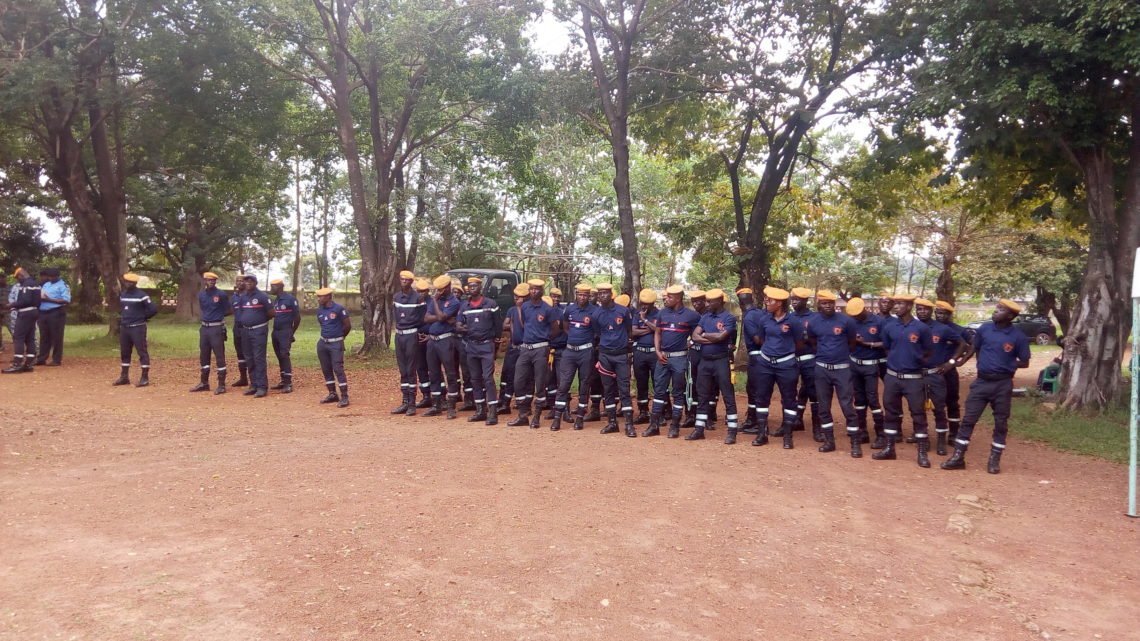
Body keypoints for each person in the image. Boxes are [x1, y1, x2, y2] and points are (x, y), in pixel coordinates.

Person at [942, 299, 1030, 474]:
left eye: (1000, 309)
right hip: (981, 382)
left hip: (1002, 384)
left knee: (1000, 422)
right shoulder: (985, 329)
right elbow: (974, 346)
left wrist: (1007, 364)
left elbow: (1025, 362)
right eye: (997, 308)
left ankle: (994, 460)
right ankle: (958, 457)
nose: (996, 311)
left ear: (1010, 316)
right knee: (968, 420)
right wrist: (961, 361)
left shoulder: (1017, 336)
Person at [875, 294, 934, 467]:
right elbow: (887, 347)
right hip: (892, 377)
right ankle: (889, 449)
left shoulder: (921, 328)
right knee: (890, 413)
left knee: (918, 414)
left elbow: (928, 351)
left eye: (900, 304)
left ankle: (922, 453)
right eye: (896, 304)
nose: (896, 307)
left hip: (914, 379)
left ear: (909, 306)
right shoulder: (889, 326)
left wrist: (913, 360)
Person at [804, 290, 860, 456]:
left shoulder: (846, 321)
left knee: (847, 406)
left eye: (830, 302)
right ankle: (829, 441)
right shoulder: (813, 322)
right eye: (824, 303)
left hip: (842, 369)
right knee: (823, 406)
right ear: (819, 305)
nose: (827, 305)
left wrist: (838, 356)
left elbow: (852, 343)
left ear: (834, 304)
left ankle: (855, 443)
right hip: (821, 369)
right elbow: (813, 342)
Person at [744, 287, 801, 447]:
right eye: (766, 299)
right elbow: (762, 340)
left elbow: (799, 343)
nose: (766, 302)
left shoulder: (793, 321)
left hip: (787, 365)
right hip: (765, 364)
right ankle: (762, 434)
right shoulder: (764, 320)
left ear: (780, 303)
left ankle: (788, 437)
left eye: (770, 300)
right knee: (761, 397)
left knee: (789, 399)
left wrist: (783, 353)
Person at [915, 298, 968, 455]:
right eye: (919, 309)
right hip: (916, 375)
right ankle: (923, 439)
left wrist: (951, 362)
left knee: (939, 408)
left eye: (925, 309)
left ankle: (941, 441)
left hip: (936, 374)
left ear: (931, 311)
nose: (922, 312)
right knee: (918, 408)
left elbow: (963, 344)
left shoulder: (942, 328)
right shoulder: (912, 326)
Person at [648, 285, 701, 438]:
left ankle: (675, 426)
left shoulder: (691, 315)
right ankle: (654, 425)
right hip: (662, 358)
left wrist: (691, 343)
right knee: (659, 391)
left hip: (680, 359)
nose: (666, 299)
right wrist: (657, 351)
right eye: (666, 297)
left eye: (669, 297)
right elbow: (657, 333)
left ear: (678, 298)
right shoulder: (662, 313)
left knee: (678, 393)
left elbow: (699, 332)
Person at [508, 279, 561, 427]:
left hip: (540, 349)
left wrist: (544, 338)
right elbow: (525, 324)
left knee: (540, 383)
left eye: (537, 289)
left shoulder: (547, 309)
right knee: (518, 381)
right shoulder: (525, 307)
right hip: (525, 348)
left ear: (542, 291)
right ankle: (523, 414)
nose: (534, 291)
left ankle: (536, 416)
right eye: (531, 289)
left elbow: (556, 329)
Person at [689, 289, 738, 442]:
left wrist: (704, 335)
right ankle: (699, 429)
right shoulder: (705, 317)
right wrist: (711, 337)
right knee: (702, 394)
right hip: (705, 361)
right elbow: (694, 336)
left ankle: (732, 431)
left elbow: (722, 337)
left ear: (720, 301)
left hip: (721, 361)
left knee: (727, 395)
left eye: (710, 301)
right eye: (707, 301)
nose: (707, 304)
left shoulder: (729, 318)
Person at [550, 284, 599, 431]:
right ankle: (557, 418)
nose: (582, 297)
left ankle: (579, 418)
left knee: (584, 384)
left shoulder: (594, 311)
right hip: (570, 352)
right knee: (563, 384)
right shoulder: (569, 309)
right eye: (580, 294)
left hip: (586, 352)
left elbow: (597, 331)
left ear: (588, 296)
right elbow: (565, 327)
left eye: (585, 295)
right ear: (576, 294)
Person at [456, 276, 502, 425]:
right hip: (471, 346)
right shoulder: (465, 306)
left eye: (475, 286)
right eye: (470, 286)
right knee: (474, 378)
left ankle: (493, 412)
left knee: (488, 379)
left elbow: (498, 326)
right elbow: (458, 324)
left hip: (486, 345)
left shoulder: (491, 304)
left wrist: (495, 345)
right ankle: (480, 410)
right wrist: (460, 327)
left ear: (480, 288)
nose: (472, 288)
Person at [591, 283, 635, 436]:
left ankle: (629, 425)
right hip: (605, 355)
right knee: (608, 389)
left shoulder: (623, 311)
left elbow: (630, 331)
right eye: (600, 293)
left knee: (624, 389)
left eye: (605, 293)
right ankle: (612, 423)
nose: (602, 296)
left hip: (621, 355)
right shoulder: (596, 314)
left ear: (611, 294)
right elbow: (598, 333)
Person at [847, 298, 887, 448]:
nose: (855, 317)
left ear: (864, 309)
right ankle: (862, 430)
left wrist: (867, 344)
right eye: (853, 315)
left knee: (873, 399)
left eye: (858, 314)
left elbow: (887, 343)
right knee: (858, 399)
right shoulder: (851, 321)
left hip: (871, 366)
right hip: (854, 364)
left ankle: (881, 434)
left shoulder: (879, 322)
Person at [422, 275, 462, 419]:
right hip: (432, 341)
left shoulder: (454, 302)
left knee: (450, 373)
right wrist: (441, 316)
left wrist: (435, 302)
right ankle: (436, 405)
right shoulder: (438, 301)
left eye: (441, 289)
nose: (438, 292)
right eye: (437, 290)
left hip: (446, 340)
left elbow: (441, 317)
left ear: (447, 287)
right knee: (433, 373)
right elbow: (427, 318)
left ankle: (451, 407)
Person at [112, 273, 158, 386]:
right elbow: (123, 308)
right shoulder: (123, 294)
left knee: (141, 351)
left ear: (135, 283)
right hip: (125, 328)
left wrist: (143, 317)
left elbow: (153, 309)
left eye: (130, 282)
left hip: (137, 328)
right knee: (125, 352)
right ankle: (124, 376)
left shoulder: (141, 295)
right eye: (127, 282)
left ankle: (144, 377)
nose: (128, 284)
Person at [233, 275, 275, 398]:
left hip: (258, 331)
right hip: (245, 331)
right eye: (246, 281)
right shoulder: (243, 297)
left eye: (251, 281)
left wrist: (259, 320)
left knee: (258, 358)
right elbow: (241, 313)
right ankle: (253, 385)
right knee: (249, 358)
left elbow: (272, 313)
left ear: (256, 283)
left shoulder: (262, 296)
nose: (248, 283)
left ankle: (262, 387)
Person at [190, 272, 232, 394]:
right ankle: (204, 383)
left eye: (213, 280)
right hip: (204, 328)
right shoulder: (201, 294)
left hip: (216, 328)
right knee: (204, 355)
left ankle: (221, 385)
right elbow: (204, 309)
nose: (211, 282)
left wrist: (217, 316)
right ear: (205, 281)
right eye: (209, 280)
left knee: (219, 356)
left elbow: (228, 310)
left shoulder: (221, 294)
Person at [934, 300, 970, 441]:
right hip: (931, 372)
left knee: (952, 402)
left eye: (943, 313)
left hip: (948, 372)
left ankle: (954, 434)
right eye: (938, 313)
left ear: (949, 314)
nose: (940, 316)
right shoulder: (929, 327)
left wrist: (958, 361)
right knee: (929, 403)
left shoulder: (958, 330)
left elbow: (971, 345)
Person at [391, 270, 426, 414]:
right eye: (402, 279)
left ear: (411, 282)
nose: (404, 282)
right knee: (403, 369)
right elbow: (395, 315)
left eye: (407, 280)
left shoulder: (418, 298)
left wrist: (412, 326)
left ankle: (412, 403)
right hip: (399, 336)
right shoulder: (396, 297)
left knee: (411, 369)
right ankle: (404, 401)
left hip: (411, 335)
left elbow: (422, 317)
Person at [789, 287, 821, 441]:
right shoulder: (788, 317)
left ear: (805, 301)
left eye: (797, 299)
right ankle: (795, 420)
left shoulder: (815, 318)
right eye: (792, 299)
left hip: (810, 359)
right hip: (792, 359)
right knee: (792, 391)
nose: (794, 302)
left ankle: (817, 428)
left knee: (813, 391)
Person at [314, 287, 351, 407]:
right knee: (326, 369)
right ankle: (332, 393)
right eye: (318, 296)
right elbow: (323, 325)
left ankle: (344, 396)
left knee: (338, 369)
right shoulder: (320, 310)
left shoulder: (339, 309)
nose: (319, 298)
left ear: (329, 297)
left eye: (322, 296)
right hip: (323, 343)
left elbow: (347, 326)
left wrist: (339, 337)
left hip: (336, 343)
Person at [497, 283, 530, 417]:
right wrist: (511, 324)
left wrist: (515, 320)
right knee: (509, 374)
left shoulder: (529, 310)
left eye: (519, 297)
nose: (516, 299)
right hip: (513, 347)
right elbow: (504, 324)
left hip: (525, 348)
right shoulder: (512, 310)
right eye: (515, 297)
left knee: (525, 377)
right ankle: (505, 403)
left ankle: (525, 405)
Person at [2, 268, 41, 374]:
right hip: (34, 312)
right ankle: (28, 364)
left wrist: (12, 305)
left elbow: (25, 300)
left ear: (20, 275)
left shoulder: (26, 285)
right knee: (30, 338)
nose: (17, 281)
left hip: (25, 313)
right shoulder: (36, 283)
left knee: (18, 337)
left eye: (17, 278)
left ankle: (17, 364)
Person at [735, 287, 763, 434]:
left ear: (740, 301)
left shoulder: (749, 316)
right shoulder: (762, 313)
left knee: (755, 389)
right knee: (752, 388)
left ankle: (758, 422)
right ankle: (752, 419)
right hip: (762, 356)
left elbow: (757, 339)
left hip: (757, 356)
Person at [631, 288, 660, 424]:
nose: (644, 306)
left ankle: (659, 413)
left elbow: (659, 331)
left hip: (655, 353)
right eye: (642, 303)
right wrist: (651, 329)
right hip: (640, 353)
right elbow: (633, 332)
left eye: (647, 304)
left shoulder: (659, 314)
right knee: (641, 383)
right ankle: (643, 412)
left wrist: (645, 322)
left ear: (653, 303)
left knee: (658, 383)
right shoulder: (637, 314)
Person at [270, 279, 300, 393]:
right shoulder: (277, 299)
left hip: (285, 331)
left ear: (280, 287)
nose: (272, 289)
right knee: (279, 356)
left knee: (284, 355)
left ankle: (288, 383)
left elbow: (297, 318)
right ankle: (283, 380)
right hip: (275, 331)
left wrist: (291, 332)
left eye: (273, 286)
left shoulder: (290, 299)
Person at [683, 290, 708, 428]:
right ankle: (690, 415)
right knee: (691, 384)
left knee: (705, 384)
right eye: (694, 301)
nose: (696, 303)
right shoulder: (691, 316)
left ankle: (706, 416)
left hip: (706, 353)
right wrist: (689, 342)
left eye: (699, 300)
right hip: (693, 353)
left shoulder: (710, 315)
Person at [35, 268, 70, 366]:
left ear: (57, 276)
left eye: (52, 276)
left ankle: (56, 359)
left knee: (56, 336)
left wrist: (49, 300)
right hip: (43, 312)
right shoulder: (46, 284)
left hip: (56, 312)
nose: (50, 278)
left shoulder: (63, 286)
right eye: (49, 276)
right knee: (44, 336)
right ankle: (42, 358)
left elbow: (66, 300)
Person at [543, 286, 567, 418]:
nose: (555, 299)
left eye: (558, 297)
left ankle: (565, 410)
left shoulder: (563, 312)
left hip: (561, 349)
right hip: (547, 349)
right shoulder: (544, 311)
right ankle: (552, 407)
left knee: (562, 380)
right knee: (549, 381)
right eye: (553, 296)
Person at [413, 278, 433, 408]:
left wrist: (430, 335)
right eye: (419, 291)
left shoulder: (433, 302)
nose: (421, 294)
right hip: (418, 338)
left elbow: (437, 320)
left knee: (434, 368)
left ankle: (440, 395)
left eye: (424, 291)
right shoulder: (414, 302)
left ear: (428, 291)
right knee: (421, 367)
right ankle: (426, 395)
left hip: (431, 339)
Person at [230, 277, 250, 388]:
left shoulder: (250, 296)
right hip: (237, 327)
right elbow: (230, 310)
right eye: (238, 281)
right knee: (240, 354)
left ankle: (254, 379)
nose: (240, 283)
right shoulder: (234, 297)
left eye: (242, 281)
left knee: (249, 353)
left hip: (247, 327)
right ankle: (243, 378)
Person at [0, 273, 9, 349]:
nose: (2, 279)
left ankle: (19, 347)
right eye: (0, 278)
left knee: (13, 328)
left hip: (8, 311)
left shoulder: (11, 288)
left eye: (3, 278)